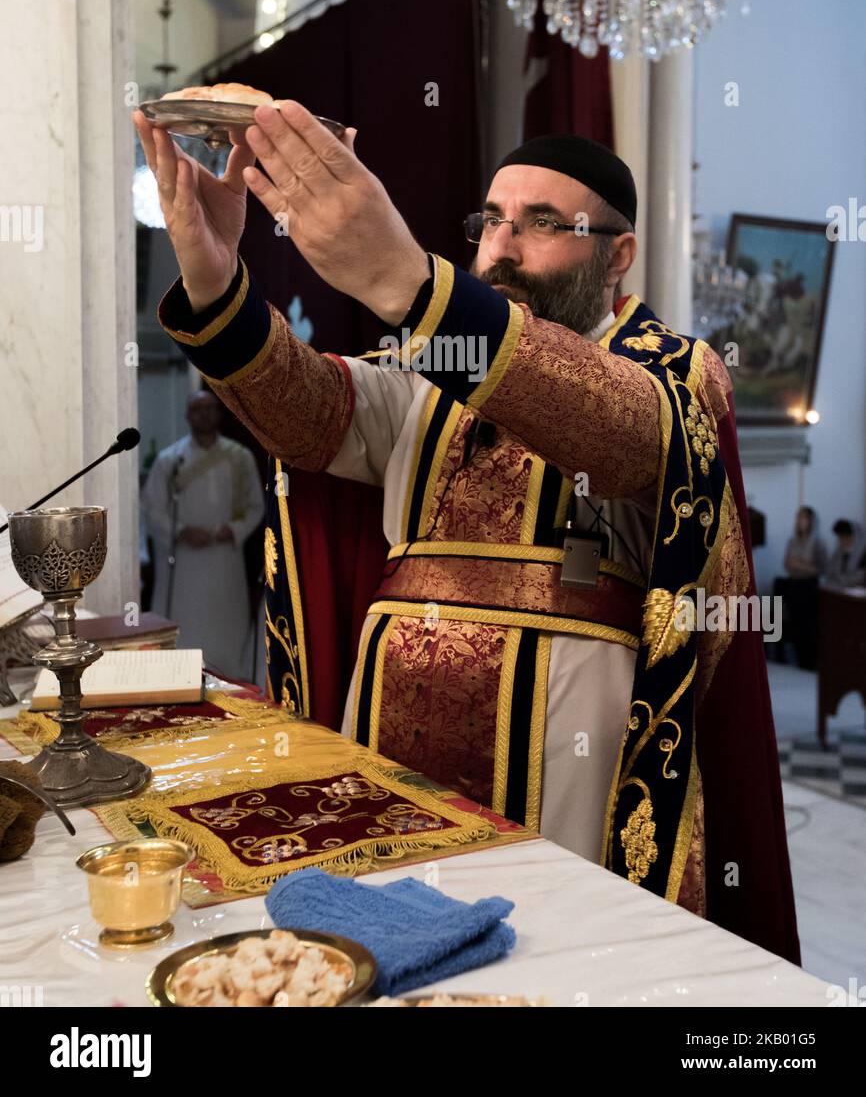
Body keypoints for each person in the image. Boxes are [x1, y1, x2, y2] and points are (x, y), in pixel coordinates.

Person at [133, 99, 800, 965]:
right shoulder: (431, 364)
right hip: (387, 734)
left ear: (618, 253)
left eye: (544, 224)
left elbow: (625, 432)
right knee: (387, 951)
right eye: (491, 220)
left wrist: (408, 283)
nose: (503, 245)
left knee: (550, 961)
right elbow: (309, 415)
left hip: (568, 750)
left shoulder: (674, 371)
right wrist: (217, 281)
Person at [141, 390, 264, 681]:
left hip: (224, 558)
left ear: (219, 414)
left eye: (210, 408)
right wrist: (182, 531)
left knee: (225, 622)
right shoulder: (169, 460)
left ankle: (230, 678)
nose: (204, 414)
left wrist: (233, 530)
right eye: (197, 409)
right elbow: (153, 508)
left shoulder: (240, 458)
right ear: (187, 414)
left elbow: (256, 506)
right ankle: (179, 677)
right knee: (187, 622)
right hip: (184, 562)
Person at [772, 505, 826, 668]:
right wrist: (800, 565)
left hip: (809, 587)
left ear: (810, 521)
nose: (800, 521)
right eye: (799, 517)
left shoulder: (817, 542)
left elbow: (821, 568)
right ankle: (798, 659)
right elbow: (787, 564)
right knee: (794, 623)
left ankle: (810, 661)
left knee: (808, 625)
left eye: (804, 517)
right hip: (794, 585)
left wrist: (799, 565)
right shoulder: (792, 541)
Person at [824, 519, 866, 590]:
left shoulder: (863, 552)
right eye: (840, 537)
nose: (842, 540)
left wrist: (841, 580)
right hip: (836, 589)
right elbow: (830, 571)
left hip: (854, 591)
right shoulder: (838, 551)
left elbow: (860, 576)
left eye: (845, 536)